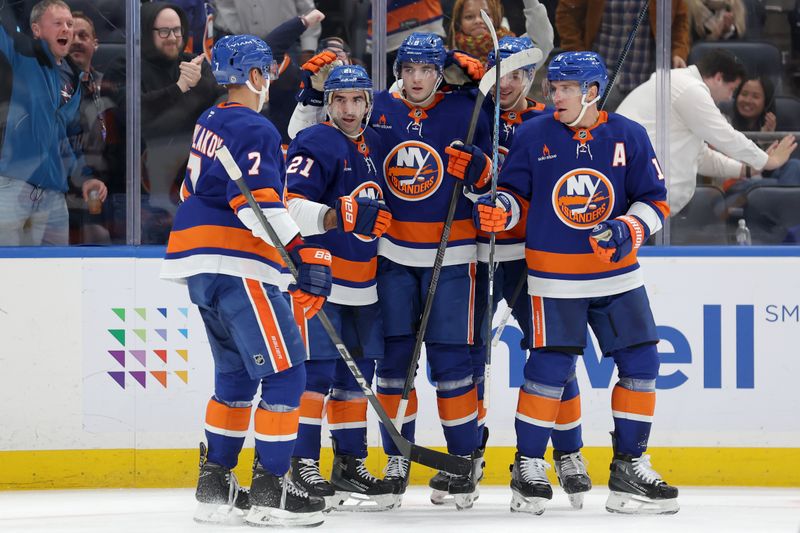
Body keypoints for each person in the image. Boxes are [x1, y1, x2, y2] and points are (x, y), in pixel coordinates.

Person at [290, 32, 493, 509]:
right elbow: (304, 139)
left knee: (451, 367)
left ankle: (464, 461)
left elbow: (498, 173)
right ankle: (393, 458)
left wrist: (482, 155)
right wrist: (313, 94)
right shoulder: (376, 111)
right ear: (397, 72)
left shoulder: (466, 108)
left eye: (427, 69)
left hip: (454, 257)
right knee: (391, 368)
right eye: (409, 68)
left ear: (440, 71)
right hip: (391, 260)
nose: (417, 78)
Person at [473, 51, 679, 515]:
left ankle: (629, 467)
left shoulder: (629, 134)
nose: (555, 95)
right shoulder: (532, 134)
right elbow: (515, 198)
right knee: (550, 368)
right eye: (553, 87)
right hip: (554, 276)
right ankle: (528, 467)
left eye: (566, 88)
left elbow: (654, 200)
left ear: (592, 91)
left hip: (618, 276)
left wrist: (630, 228)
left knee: (642, 361)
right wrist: (501, 210)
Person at [160, 34, 331, 528]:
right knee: (286, 375)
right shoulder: (255, 127)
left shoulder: (210, 120)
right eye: (269, 71)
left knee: (235, 378)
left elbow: (194, 188)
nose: (272, 78)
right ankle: (269, 494)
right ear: (255, 76)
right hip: (239, 264)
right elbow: (257, 204)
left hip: (197, 263)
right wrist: (301, 254)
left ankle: (214, 488)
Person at [453, 35, 592, 511]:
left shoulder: (548, 121)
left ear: (531, 78)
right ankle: (466, 455)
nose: (507, 82)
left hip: (534, 258)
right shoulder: (468, 115)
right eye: (499, 72)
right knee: (469, 358)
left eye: (517, 73)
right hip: (476, 253)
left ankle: (568, 451)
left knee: (553, 356)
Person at [284, 64, 395, 512]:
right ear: (327, 104)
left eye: (357, 100)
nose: (349, 110)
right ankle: (302, 462)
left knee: (356, 378)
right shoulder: (316, 141)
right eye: (339, 100)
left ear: (369, 103)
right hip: (322, 279)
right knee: (315, 378)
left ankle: (349, 464)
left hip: (364, 281)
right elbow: (289, 204)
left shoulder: (375, 143)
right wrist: (333, 216)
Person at [616, 48, 797, 215]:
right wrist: (768, 161)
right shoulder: (689, 88)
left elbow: (700, 156)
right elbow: (726, 136)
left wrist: (746, 170)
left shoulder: (677, 85)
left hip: (642, 202)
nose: (729, 97)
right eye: (732, 89)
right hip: (639, 202)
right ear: (718, 78)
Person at [0, 0, 106, 246]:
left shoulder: (74, 80)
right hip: (12, 187)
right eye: (58, 23)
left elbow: (69, 138)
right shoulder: (21, 54)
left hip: (54, 199)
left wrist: (86, 176)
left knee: (57, 277)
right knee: (7, 277)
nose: (67, 29)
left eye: (69, 23)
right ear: (36, 30)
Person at [556, 0, 691, 110]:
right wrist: (578, 56)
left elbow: (680, 19)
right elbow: (567, 15)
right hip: (597, 79)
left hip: (646, 82)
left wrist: (678, 52)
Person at [66, 11, 113, 244]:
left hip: (103, 191)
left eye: (82, 35)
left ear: (95, 43)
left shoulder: (109, 86)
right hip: (61, 191)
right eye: (70, 35)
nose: (75, 40)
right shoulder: (51, 86)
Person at [722, 76, 800, 194]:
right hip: (735, 182)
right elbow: (738, 166)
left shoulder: (770, 128)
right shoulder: (725, 122)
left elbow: (768, 170)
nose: (748, 100)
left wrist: (766, 140)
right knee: (776, 184)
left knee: (794, 166)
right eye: (744, 94)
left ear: (766, 103)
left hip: (762, 179)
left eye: (755, 96)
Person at [212, 0, 323, 63]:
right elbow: (225, 6)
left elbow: (308, 11)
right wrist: (240, 34)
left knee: (289, 95)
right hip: (244, 48)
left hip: (287, 47)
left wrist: (308, 50)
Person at [447, 0, 554, 63]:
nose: (478, 21)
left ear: (496, 18)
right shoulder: (448, 59)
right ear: (459, 22)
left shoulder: (513, 51)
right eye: (469, 17)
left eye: (486, 14)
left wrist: (531, 3)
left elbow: (542, 42)